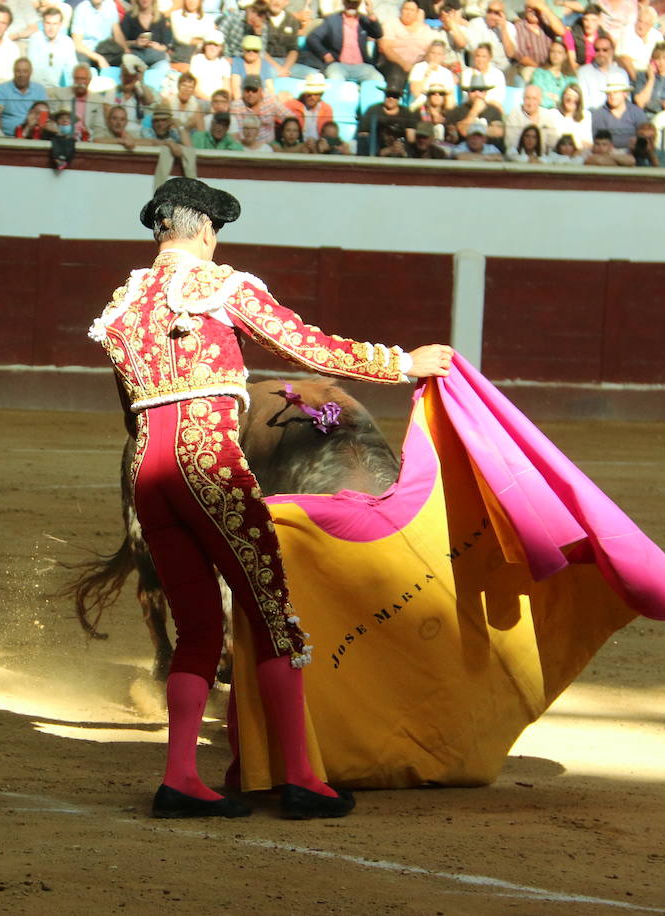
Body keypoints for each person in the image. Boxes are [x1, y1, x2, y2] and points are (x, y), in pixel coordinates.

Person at [87, 177, 452, 820]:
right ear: (203, 228)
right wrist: (402, 363)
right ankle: (301, 778)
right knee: (274, 619)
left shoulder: (123, 305)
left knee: (200, 628)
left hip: (148, 468)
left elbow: (129, 408)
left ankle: (180, 779)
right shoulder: (219, 284)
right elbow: (301, 347)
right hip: (211, 462)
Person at [303, 0, 382, 83]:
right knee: (335, 80)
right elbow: (312, 38)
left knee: (379, 80)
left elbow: (378, 34)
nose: (351, 5)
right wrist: (324, 54)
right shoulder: (333, 20)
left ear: (359, 4)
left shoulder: (364, 20)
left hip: (361, 65)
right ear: (344, 2)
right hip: (338, 65)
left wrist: (371, 13)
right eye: (349, 2)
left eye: (355, 3)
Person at [49, 62, 105, 140]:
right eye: (77, 78)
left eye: (83, 79)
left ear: (89, 80)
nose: (79, 82)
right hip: (63, 138)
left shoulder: (98, 100)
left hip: (86, 140)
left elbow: (99, 128)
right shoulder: (60, 94)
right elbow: (52, 119)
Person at [446, 75, 504, 147]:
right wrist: (475, 111)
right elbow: (463, 131)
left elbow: (498, 132)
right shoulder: (456, 111)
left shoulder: (494, 110)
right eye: (473, 90)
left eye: (480, 90)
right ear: (468, 93)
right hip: (464, 153)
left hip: (490, 152)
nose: (477, 94)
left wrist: (472, 130)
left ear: (485, 92)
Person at [576, 34, 630, 110]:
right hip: (593, 115)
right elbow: (583, 103)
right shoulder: (583, 72)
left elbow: (627, 100)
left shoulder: (621, 73)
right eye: (597, 50)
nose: (601, 53)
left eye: (605, 50)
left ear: (612, 51)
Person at [358, 83, 415, 153]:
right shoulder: (373, 110)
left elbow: (411, 139)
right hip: (376, 149)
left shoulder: (407, 113)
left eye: (395, 96)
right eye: (388, 95)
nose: (391, 98)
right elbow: (363, 134)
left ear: (399, 98)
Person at [29, 6, 76, 89]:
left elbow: (72, 70)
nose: (51, 28)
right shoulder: (35, 39)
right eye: (48, 23)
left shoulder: (67, 42)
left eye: (55, 24)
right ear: (43, 23)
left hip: (56, 91)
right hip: (36, 89)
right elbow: (33, 70)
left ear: (60, 25)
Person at [0, 56, 47, 134]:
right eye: (18, 71)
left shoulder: (39, 89)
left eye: (25, 71)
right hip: (7, 136)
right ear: (13, 72)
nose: (21, 75)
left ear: (30, 73)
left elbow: (44, 115)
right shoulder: (3, 88)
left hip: (33, 135)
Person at [590, 78, 645, 149]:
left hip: (634, 153)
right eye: (609, 93)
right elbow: (598, 140)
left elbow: (643, 137)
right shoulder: (599, 114)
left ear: (625, 94)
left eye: (615, 92)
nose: (612, 96)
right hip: (607, 154)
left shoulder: (637, 112)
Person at [505, 83, 559, 152]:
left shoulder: (548, 116)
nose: (530, 103)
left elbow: (552, 144)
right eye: (528, 98)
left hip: (543, 159)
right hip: (520, 158)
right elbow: (511, 144)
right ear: (523, 99)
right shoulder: (515, 114)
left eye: (534, 99)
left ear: (540, 100)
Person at [632, 42, 665, 116]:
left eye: (664, 58)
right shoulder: (642, 76)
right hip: (646, 115)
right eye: (657, 58)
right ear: (652, 60)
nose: (661, 62)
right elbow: (640, 103)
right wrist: (651, 79)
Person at [617, 4, 663, 79]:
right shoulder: (628, 31)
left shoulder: (657, 36)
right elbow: (625, 59)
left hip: (651, 74)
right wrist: (637, 80)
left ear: (651, 25)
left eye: (646, 23)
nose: (641, 26)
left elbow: (661, 59)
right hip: (630, 74)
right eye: (640, 21)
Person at [284, 73, 334, 144]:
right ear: (305, 92)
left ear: (321, 95)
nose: (312, 97)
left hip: (319, 146)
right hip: (297, 145)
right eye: (309, 93)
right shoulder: (291, 105)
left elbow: (328, 135)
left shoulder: (327, 109)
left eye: (316, 94)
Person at [529, 36, 577, 108]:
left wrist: (557, 99)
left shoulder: (570, 77)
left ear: (565, 55)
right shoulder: (539, 74)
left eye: (559, 52)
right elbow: (537, 95)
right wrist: (557, 100)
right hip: (543, 110)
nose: (555, 55)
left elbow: (573, 98)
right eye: (552, 51)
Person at [70, 0, 118, 71]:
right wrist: (99, 58)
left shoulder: (111, 5)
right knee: (81, 61)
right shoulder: (81, 9)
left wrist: (126, 51)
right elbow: (77, 45)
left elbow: (117, 32)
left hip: (107, 49)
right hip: (88, 52)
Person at [407, 40, 454, 107]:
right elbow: (416, 92)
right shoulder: (418, 67)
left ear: (443, 57)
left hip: (440, 108)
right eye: (433, 53)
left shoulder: (447, 73)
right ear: (428, 54)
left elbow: (449, 98)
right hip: (421, 105)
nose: (435, 56)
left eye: (439, 54)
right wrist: (427, 73)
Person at [189, 30, 231, 99]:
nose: (212, 48)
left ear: (221, 48)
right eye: (210, 44)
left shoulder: (225, 64)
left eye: (216, 45)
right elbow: (196, 89)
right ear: (205, 46)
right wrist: (211, 102)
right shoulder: (197, 59)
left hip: (219, 103)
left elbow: (227, 90)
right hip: (201, 101)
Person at [550, 82, 592, 151]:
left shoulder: (586, 115)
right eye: (568, 96)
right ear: (563, 97)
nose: (571, 100)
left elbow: (587, 142)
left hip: (578, 154)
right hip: (557, 154)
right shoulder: (553, 114)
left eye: (575, 97)